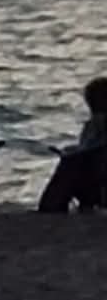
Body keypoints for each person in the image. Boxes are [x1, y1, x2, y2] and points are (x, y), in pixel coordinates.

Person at [37, 77, 107, 213]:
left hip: (99, 179)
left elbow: (92, 149)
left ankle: (52, 209)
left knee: (71, 164)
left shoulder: (98, 124)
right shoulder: (95, 125)